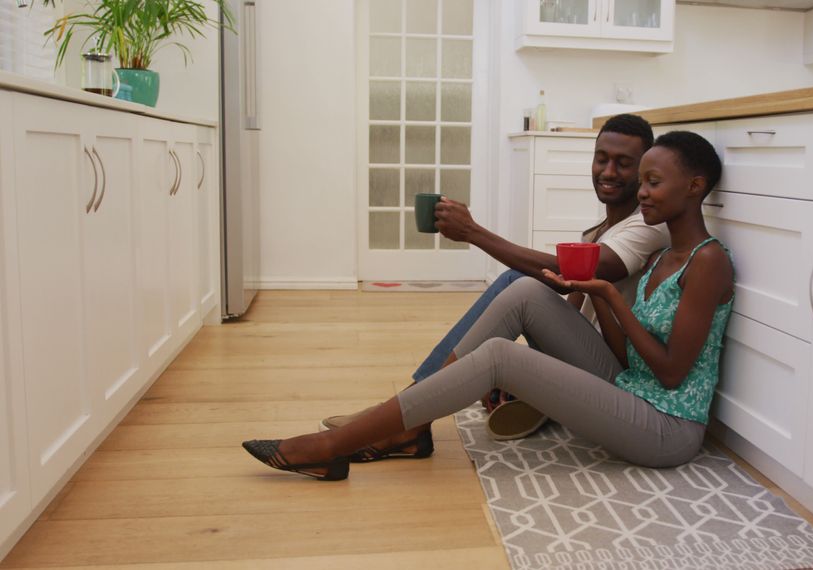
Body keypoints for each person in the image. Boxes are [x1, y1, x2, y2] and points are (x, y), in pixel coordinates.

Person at [242, 130, 734, 480]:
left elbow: (670, 375)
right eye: (643, 181)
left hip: (667, 429)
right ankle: (403, 424)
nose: (642, 193)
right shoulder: (661, 256)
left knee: (502, 357)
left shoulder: (707, 262)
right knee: (523, 290)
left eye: (652, 182)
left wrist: (607, 295)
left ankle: (335, 447)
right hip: (631, 389)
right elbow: (627, 360)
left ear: (694, 187)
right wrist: (600, 298)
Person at [316, 115, 669, 451]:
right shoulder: (599, 231)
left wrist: (473, 232)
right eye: (601, 159)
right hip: (591, 356)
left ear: (643, 170)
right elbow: (571, 306)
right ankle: (404, 409)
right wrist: (525, 369)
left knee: (521, 283)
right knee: (519, 292)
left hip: (617, 381)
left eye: (623, 163)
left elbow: (575, 275)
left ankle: (403, 417)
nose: (608, 171)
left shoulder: (649, 226)